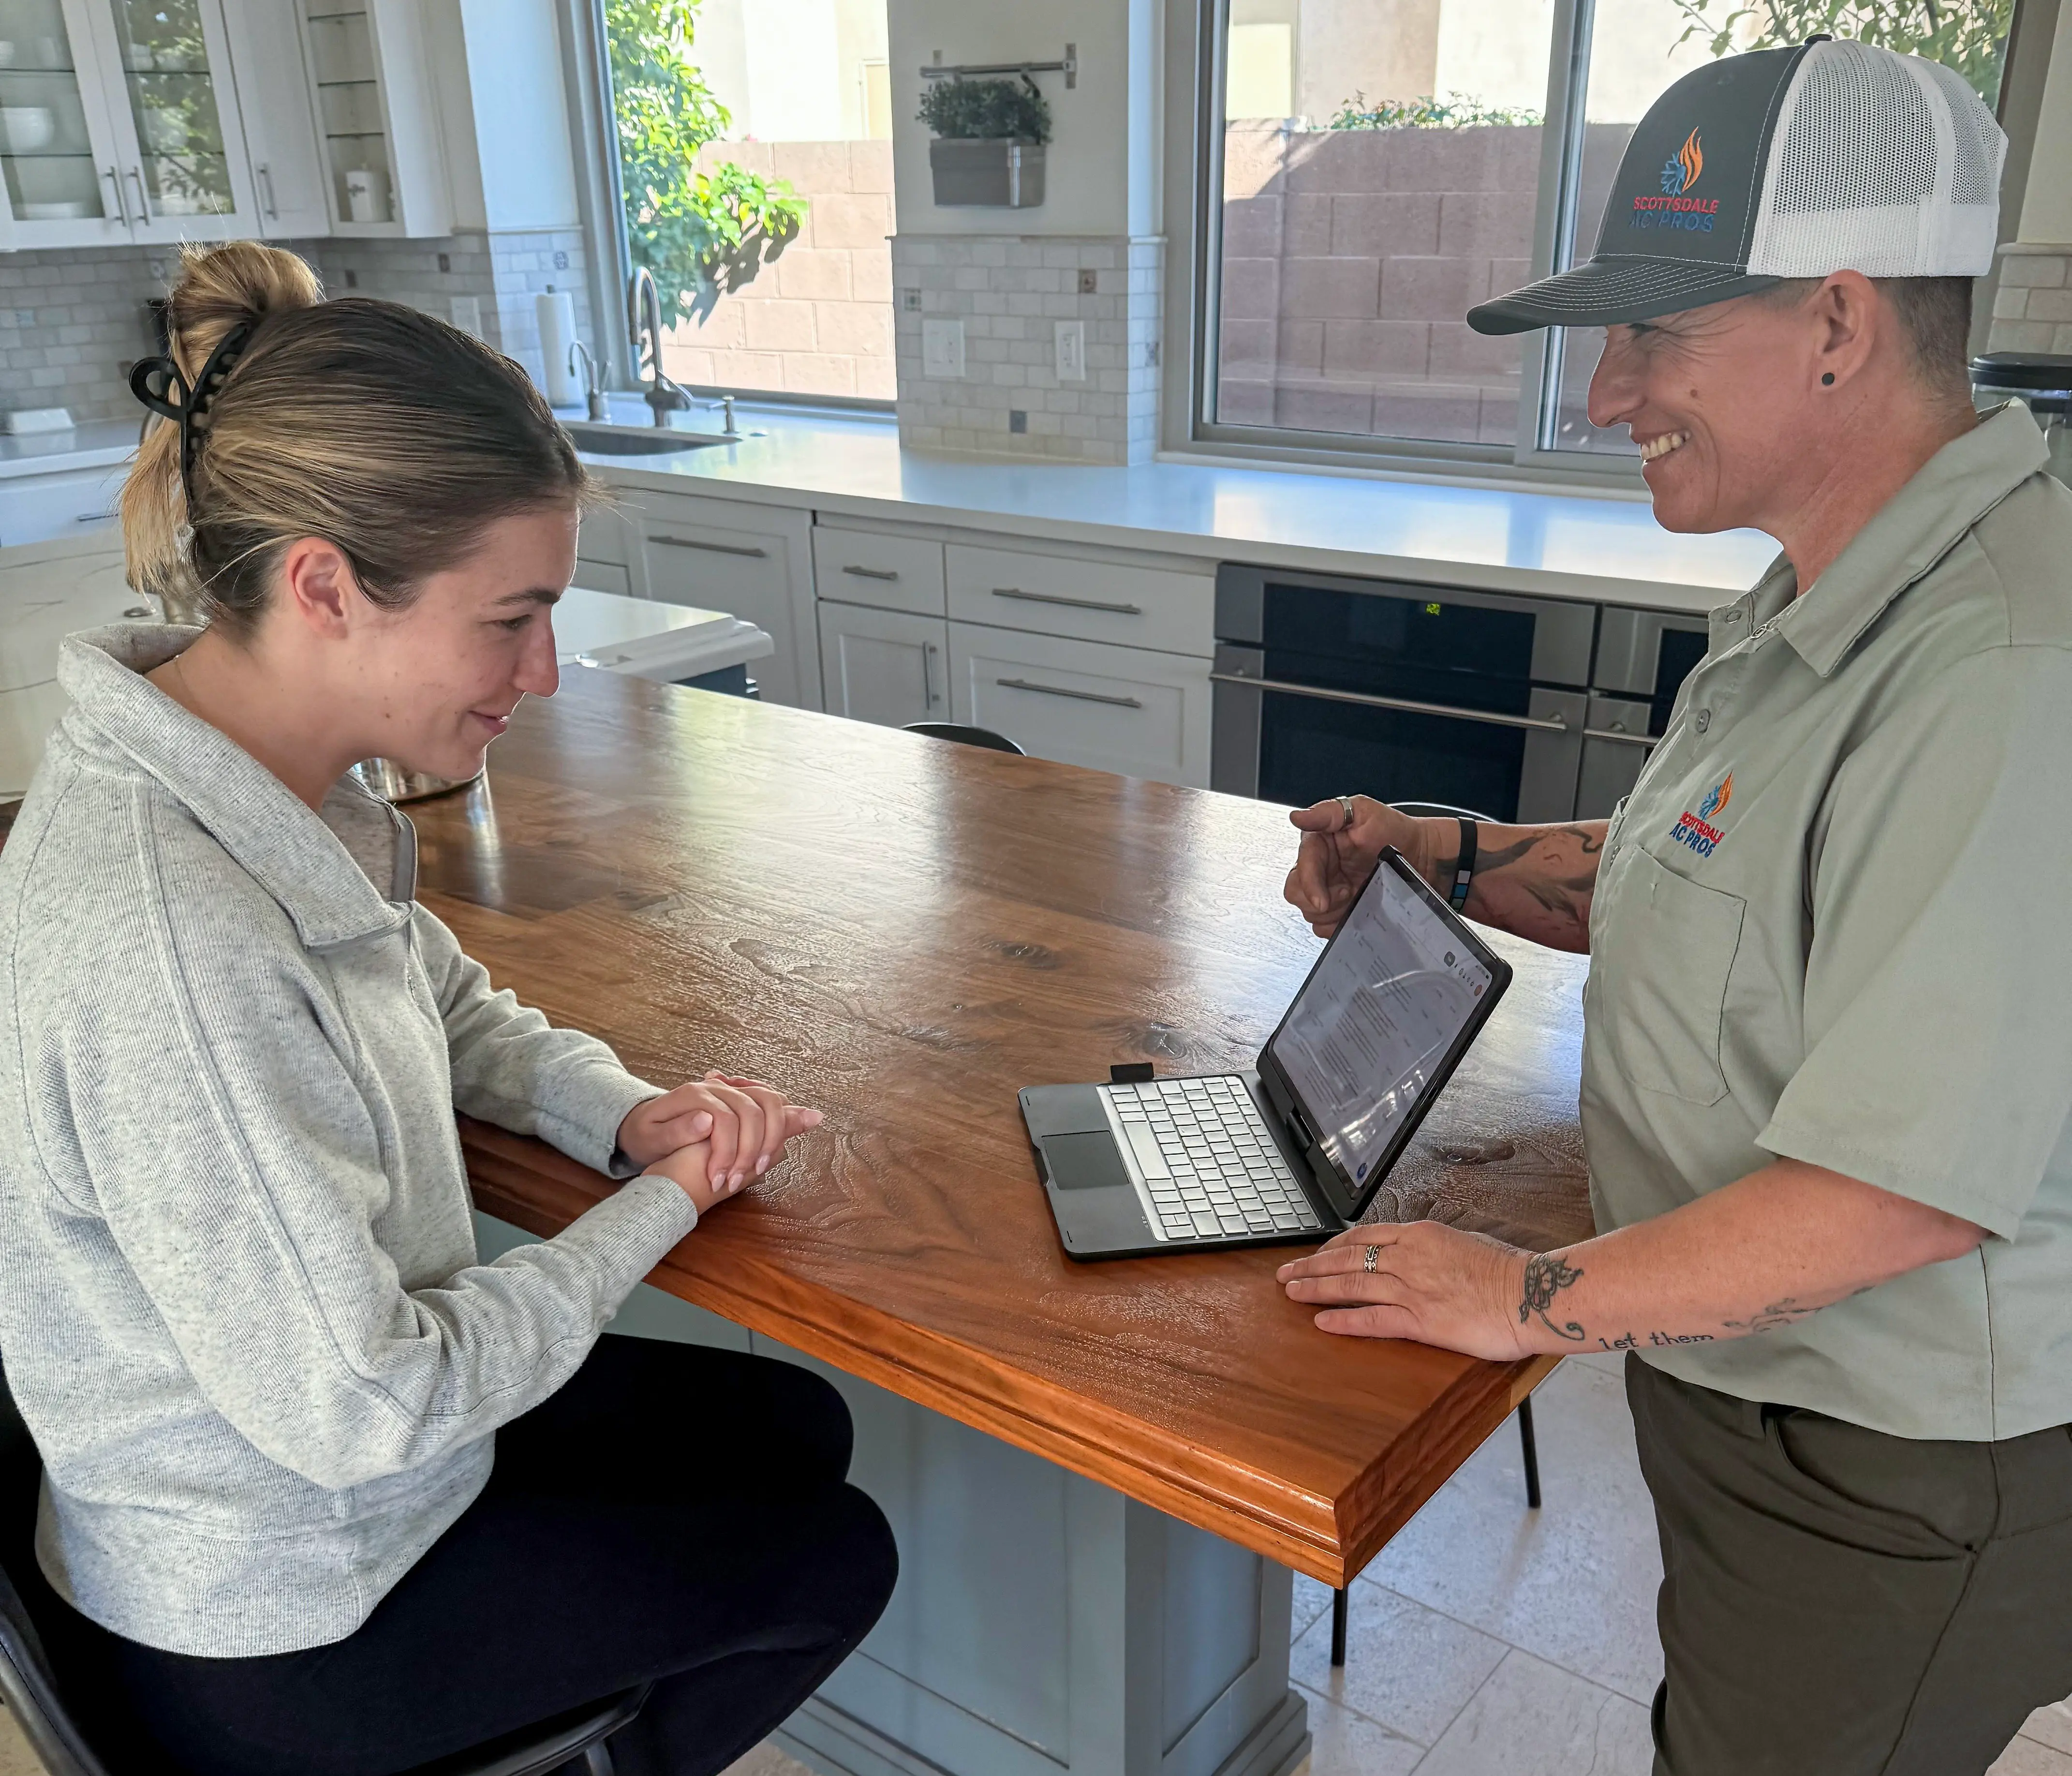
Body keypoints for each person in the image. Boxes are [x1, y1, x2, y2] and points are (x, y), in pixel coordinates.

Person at [1276, 38, 2072, 1776]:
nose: (1604, 393)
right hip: (1748, 1392)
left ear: (1838, 326)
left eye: (1653, 338)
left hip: (1880, 1462)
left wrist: (1522, 1298)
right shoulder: (1823, 591)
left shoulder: (2005, 666)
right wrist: (1447, 851)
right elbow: (1690, 865)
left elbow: (1891, 1196)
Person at [0, 242, 896, 1776]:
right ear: (326, 584)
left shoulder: (263, 773)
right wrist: (662, 1203)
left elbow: (437, 988)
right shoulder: (179, 932)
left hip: (324, 1469)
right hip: (272, 1600)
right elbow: (368, 1404)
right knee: (834, 1554)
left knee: (797, 1432)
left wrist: (614, 1110)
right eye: (509, 618)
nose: (544, 672)